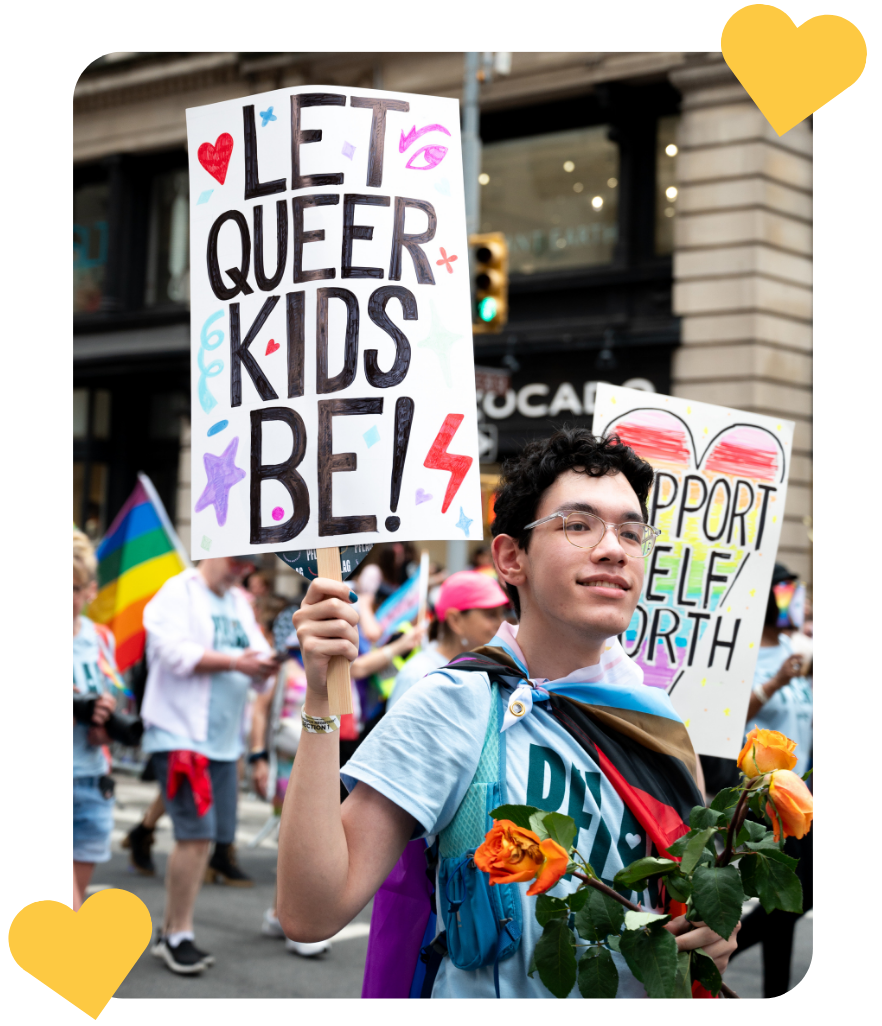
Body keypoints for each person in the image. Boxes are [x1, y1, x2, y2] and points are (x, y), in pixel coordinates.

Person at [277, 428, 740, 999]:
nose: (615, 548)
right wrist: (321, 702)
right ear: (510, 557)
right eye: (578, 525)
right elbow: (309, 913)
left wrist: (713, 933)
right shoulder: (454, 704)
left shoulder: (659, 722)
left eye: (631, 531)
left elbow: (686, 905)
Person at [140, 556, 278, 974]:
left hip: (222, 741)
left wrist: (266, 663)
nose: (243, 570)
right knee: (195, 836)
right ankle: (178, 933)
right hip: (181, 735)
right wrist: (237, 662)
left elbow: (258, 661)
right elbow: (170, 652)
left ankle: (172, 930)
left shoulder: (238, 601)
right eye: (238, 561)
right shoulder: (178, 592)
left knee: (209, 838)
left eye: (248, 564)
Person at [727, 564, 813, 997]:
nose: (799, 604)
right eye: (790, 596)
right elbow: (729, 720)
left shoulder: (797, 647)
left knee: (787, 902)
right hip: (768, 799)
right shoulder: (743, 655)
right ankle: (722, 949)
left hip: (803, 794)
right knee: (788, 898)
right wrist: (776, 682)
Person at [73, 530, 121, 911]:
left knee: (78, 898)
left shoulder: (101, 638)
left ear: (89, 590)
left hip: (92, 778)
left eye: (73, 588)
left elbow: (110, 697)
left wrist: (104, 719)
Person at [386, 571, 508, 712]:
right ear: (455, 620)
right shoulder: (418, 675)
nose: (502, 623)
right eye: (491, 615)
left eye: (503, 613)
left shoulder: (491, 669)